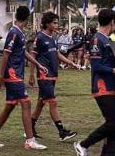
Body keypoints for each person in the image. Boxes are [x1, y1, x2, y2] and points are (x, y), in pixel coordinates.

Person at [74, 8, 115, 156]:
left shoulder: (107, 40)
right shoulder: (96, 40)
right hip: (102, 87)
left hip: (113, 87)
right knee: (113, 122)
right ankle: (83, 145)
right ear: (113, 22)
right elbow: (97, 66)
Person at [0, 6, 45, 151]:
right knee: (26, 103)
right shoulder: (14, 32)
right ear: (27, 18)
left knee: (10, 105)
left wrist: (38, 64)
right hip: (12, 75)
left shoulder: (20, 33)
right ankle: (30, 140)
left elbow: (23, 52)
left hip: (16, 74)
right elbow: (6, 54)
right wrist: (1, 76)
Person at [28, 11, 80, 144]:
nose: (57, 25)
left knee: (41, 102)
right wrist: (32, 75)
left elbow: (57, 54)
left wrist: (71, 63)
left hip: (53, 75)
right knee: (52, 102)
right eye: (55, 23)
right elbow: (32, 56)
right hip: (44, 75)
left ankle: (29, 128)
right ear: (47, 24)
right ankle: (62, 132)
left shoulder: (52, 38)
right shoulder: (39, 37)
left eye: (57, 23)